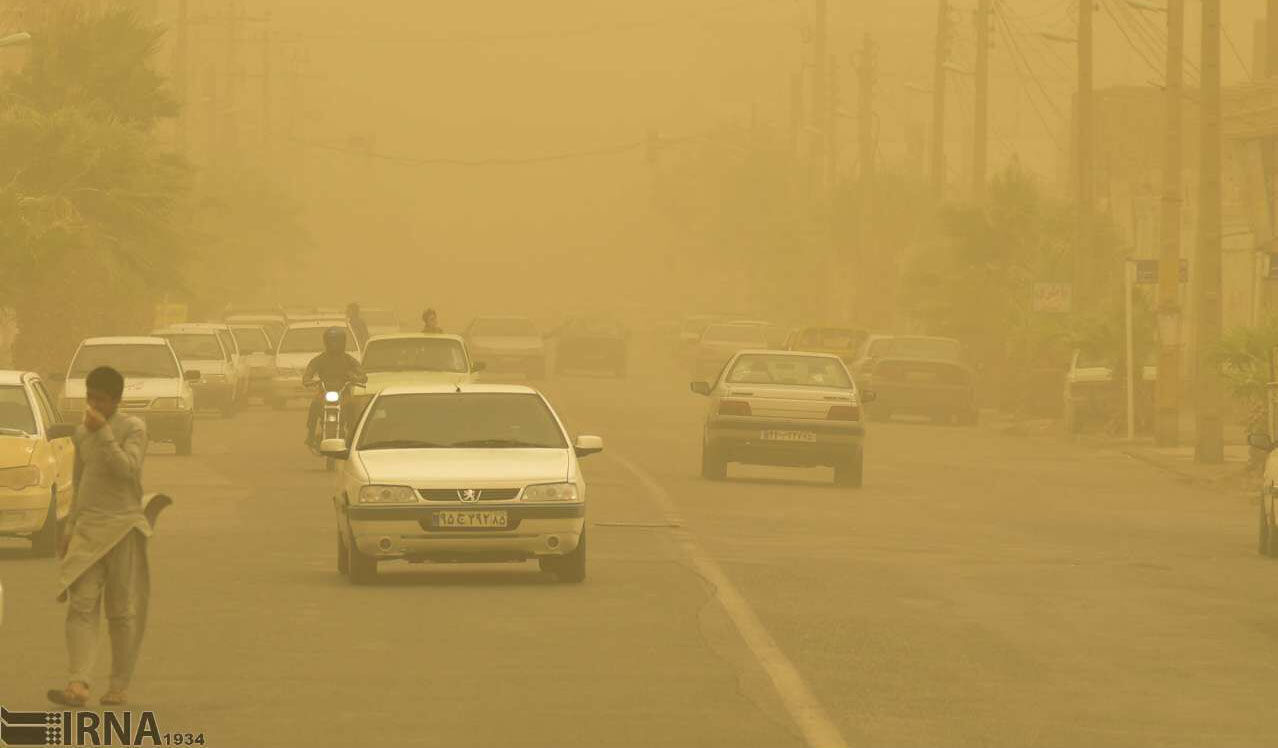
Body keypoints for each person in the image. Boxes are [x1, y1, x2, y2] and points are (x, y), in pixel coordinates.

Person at [48, 366, 152, 707]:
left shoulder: (133, 428)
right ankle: (78, 683)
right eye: (90, 397)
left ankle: (118, 685)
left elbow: (127, 470)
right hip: (88, 528)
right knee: (81, 605)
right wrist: (69, 527)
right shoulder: (81, 434)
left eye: (101, 400)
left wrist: (105, 432)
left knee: (120, 612)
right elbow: (81, 482)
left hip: (123, 528)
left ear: (116, 401)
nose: (93, 405)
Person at [303, 327, 366, 447]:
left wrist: (359, 378)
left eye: (337, 341)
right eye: (331, 341)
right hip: (324, 393)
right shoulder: (320, 359)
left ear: (343, 342)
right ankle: (310, 434)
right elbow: (308, 372)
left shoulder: (348, 359)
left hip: (344, 394)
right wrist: (307, 379)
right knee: (314, 406)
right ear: (326, 342)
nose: (334, 344)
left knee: (353, 409)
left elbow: (361, 373)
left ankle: (354, 437)